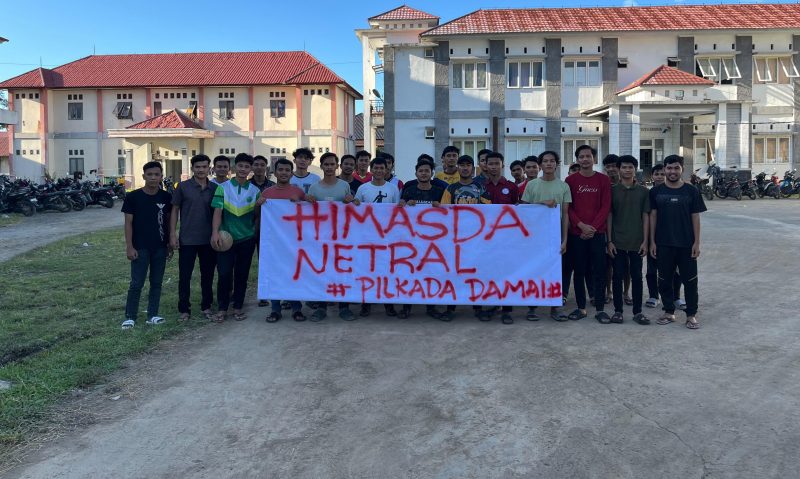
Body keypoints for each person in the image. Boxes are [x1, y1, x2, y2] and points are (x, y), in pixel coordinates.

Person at [649, 154, 706, 330]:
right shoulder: (655, 192)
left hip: (686, 244)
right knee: (664, 280)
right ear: (664, 169)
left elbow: (695, 217)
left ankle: (691, 315)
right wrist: (652, 241)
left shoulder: (691, 191)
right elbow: (653, 217)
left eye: (676, 168)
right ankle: (668, 312)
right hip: (663, 243)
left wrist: (696, 243)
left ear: (682, 169)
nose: (672, 171)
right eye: (669, 168)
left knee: (690, 280)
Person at [305, 152, 359, 322]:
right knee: (322, 271)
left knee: (342, 271)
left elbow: (353, 208)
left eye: (332, 164)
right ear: (321, 166)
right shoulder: (314, 188)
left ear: (337, 166)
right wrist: (307, 200)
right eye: (326, 164)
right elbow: (308, 212)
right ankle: (321, 307)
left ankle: (344, 307)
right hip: (321, 237)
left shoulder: (344, 186)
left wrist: (352, 200)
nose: (329, 167)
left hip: (342, 237)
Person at [121, 161, 173, 330]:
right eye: (149, 175)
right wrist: (129, 246)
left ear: (161, 177)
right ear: (143, 176)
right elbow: (128, 223)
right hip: (140, 247)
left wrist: (169, 244)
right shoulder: (133, 197)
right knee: (137, 283)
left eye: (156, 175)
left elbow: (168, 222)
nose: (153, 178)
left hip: (160, 247)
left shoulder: (166, 197)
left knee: (156, 282)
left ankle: (153, 315)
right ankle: (130, 317)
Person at [439, 154, 491, 321]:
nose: (465, 168)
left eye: (468, 165)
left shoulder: (480, 188)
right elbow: (444, 212)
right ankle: (450, 308)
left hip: (476, 238)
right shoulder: (450, 189)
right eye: (462, 165)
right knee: (454, 273)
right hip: (455, 239)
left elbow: (490, 210)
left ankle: (478, 308)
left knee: (476, 273)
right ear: (458, 168)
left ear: (473, 168)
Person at [520, 151, 571, 322]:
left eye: (552, 161)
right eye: (545, 161)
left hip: (554, 237)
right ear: (540, 165)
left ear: (557, 164)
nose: (549, 164)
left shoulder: (563, 186)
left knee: (555, 272)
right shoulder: (531, 185)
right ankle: (532, 307)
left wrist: (565, 239)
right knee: (533, 270)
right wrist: (542, 204)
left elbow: (565, 215)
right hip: (534, 237)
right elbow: (523, 210)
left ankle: (555, 307)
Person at [210, 153, 261, 322]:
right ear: (234, 167)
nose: (243, 169)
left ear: (250, 169)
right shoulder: (223, 188)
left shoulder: (255, 191)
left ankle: (238, 307)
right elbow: (217, 212)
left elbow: (256, 215)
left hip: (247, 239)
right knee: (224, 274)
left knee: (242, 274)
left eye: (247, 167)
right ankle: (222, 309)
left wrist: (259, 206)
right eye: (240, 166)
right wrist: (215, 232)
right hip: (226, 239)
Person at [565, 145, 612, 323]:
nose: (585, 159)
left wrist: (592, 228)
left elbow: (605, 207)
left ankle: (600, 309)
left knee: (599, 271)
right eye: (581, 157)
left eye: (588, 156)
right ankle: (581, 308)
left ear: (594, 159)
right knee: (579, 272)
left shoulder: (603, 180)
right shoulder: (570, 180)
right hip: (577, 234)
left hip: (597, 234)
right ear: (577, 159)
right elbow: (568, 208)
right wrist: (581, 226)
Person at [169, 154, 218, 322]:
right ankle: (184, 309)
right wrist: (172, 234)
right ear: (192, 168)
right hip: (187, 239)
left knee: (208, 275)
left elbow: (218, 213)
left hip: (208, 240)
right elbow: (175, 210)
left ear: (209, 168)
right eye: (198, 167)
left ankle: (206, 306)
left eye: (204, 167)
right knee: (185, 276)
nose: (201, 170)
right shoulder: (182, 187)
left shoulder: (214, 188)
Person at [397, 159, 447, 320]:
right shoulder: (409, 190)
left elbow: (449, 211)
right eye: (421, 171)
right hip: (412, 240)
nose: (424, 173)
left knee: (431, 273)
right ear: (416, 173)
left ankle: (431, 307)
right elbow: (399, 210)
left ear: (432, 173)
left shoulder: (439, 191)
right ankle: (406, 307)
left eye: (427, 171)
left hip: (434, 241)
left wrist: (441, 206)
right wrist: (404, 204)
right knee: (410, 273)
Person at [259, 158, 307, 323]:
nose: (284, 173)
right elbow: (258, 215)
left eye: (287, 170)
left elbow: (309, 213)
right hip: (273, 242)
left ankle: (296, 308)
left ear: (291, 173)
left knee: (294, 274)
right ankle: (275, 309)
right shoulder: (267, 193)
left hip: (294, 242)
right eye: (281, 170)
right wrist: (258, 205)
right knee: (274, 274)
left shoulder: (298, 192)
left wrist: (302, 201)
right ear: (274, 172)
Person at [354, 156, 401, 317]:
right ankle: (366, 303)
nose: (379, 171)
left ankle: (388, 303)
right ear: (371, 170)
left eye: (382, 168)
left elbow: (397, 211)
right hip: (367, 237)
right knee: (366, 270)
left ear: (386, 170)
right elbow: (355, 210)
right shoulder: (363, 189)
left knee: (387, 270)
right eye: (376, 168)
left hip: (387, 236)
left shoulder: (393, 189)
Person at [607, 155, 650, 325]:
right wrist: (609, 241)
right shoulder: (612, 190)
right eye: (624, 167)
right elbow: (609, 216)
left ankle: (638, 312)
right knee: (617, 276)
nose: (627, 170)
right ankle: (618, 311)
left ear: (635, 169)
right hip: (617, 241)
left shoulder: (643, 191)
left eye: (630, 167)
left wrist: (645, 241)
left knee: (637, 276)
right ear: (619, 169)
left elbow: (645, 216)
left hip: (637, 242)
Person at [481, 151, 519, 324]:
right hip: (485, 238)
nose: (494, 167)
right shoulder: (480, 187)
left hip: (506, 239)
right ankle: (491, 306)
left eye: (497, 163)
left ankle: (507, 310)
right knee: (489, 273)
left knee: (506, 273)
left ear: (502, 165)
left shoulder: (511, 187)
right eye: (491, 164)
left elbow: (519, 211)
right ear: (485, 166)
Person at [645, 164, 683, 309]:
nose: (660, 176)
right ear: (652, 176)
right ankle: (653, 296)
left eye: (662, 174)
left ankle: (676, 297)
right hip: (654, 236)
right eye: (657, 174)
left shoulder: (679, 191)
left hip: (674, 237)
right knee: (652, 269)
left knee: (675, 269)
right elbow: (648, 215)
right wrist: (649, 239)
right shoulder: (651, 193)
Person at [250, 155, 276, 307]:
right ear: (252, 167)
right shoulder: (246, 186)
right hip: (248, 230)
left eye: (262, 164)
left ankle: (265, 294)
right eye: (256, 164)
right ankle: (235, 294)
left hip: (268, 232)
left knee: (266, 263)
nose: (259, 167)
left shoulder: (273, 187)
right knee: (242, 264)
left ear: (266, 167)